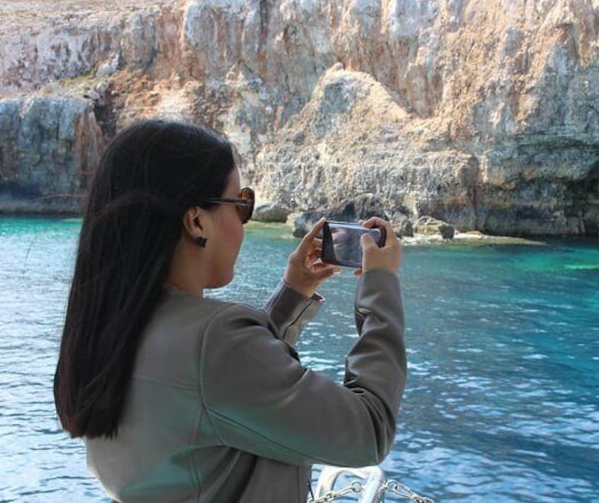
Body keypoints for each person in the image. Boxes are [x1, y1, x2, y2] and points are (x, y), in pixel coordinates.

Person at [53, 119, 406, 502]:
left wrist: (294, 291)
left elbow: (226, 392)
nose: (243, 224)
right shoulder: (216, 339)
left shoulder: (112, 327)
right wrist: (380, 287)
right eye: (241, 205)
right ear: (196, 220)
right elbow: (368, 432)